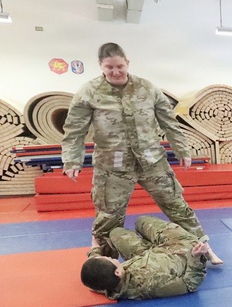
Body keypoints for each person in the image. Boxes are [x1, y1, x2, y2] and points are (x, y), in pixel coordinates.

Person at [61, 42, 222, 265]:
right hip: (113, 166)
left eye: (120, 66)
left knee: (176, 204)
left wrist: (182, 149)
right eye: (109, 67)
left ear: (127, 63)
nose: (116, 72)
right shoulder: (89, 92)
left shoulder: (147, 88)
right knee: (109, 215)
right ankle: (104, 262)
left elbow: (169, 122)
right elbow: (74, 129)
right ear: (101, 66)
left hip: (151, 160)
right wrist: (71, 160)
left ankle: (202, 246)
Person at [80, 215, 211, 300]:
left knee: (116, 233)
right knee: (141, 221)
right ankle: (205, 248)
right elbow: (189, 284)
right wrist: (196, 257)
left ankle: (152, 242)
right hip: (181, 250)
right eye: (111, 259)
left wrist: (95, 249)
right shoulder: (151, 284)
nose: (113, 259)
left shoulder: (107, 284)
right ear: (117, 272)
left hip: (148, 255)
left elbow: (94, 276)